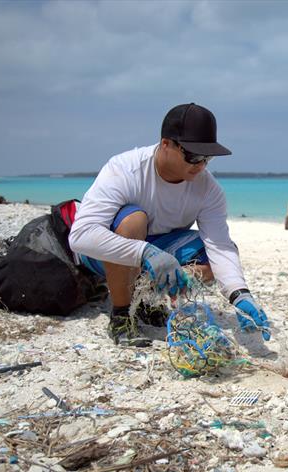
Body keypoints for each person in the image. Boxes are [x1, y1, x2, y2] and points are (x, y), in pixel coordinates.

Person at [68, 103, 270, 347]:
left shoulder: (208, 189)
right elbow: (80, 236)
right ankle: (121, 314)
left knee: (214, 256)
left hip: (160, 252)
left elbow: (220, 245)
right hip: (106, 253)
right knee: (134, 220)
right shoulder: (125, 169)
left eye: (208, 157)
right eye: (193, 155)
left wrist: (239, 294)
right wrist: (145, 253)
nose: (201, 165)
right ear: (166, 144)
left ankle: (145, 300)